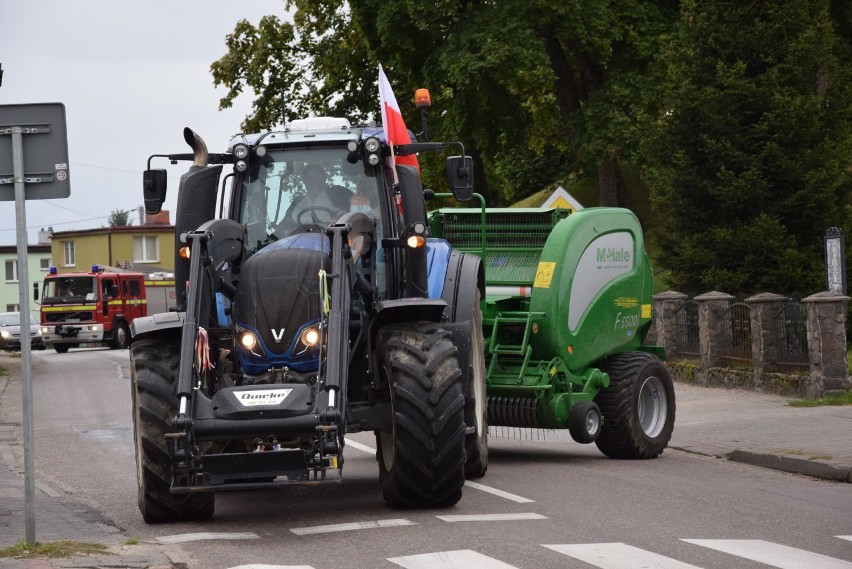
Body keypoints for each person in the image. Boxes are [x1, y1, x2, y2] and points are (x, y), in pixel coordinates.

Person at [282, 164, 351, 228]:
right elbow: (282, 228)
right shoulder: (296, 203)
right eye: (308, 179)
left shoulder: (338, 193)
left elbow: (354, 214)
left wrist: (343, 216)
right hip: (299, 240)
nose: (313, 182)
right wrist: (287, 231)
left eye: (317, 178)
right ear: (304, 181)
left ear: (325, 178)